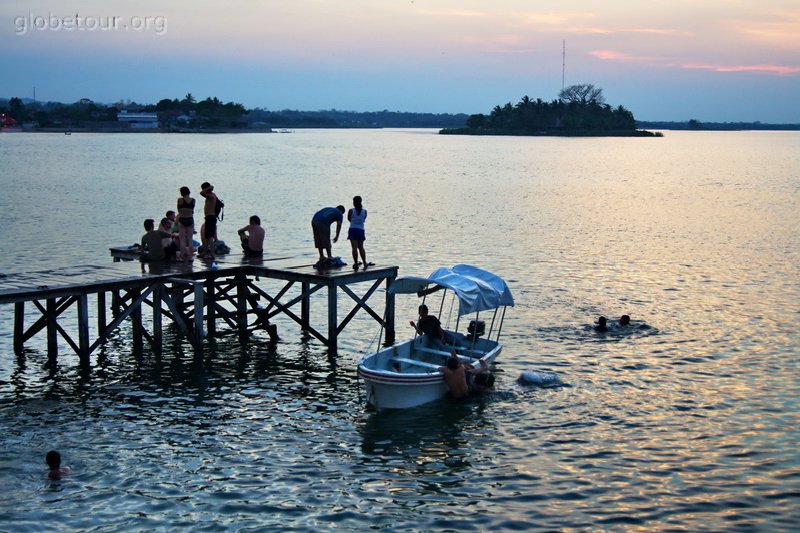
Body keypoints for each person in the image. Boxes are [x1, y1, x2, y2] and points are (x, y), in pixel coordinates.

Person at [347, 195, 373, 270]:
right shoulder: (365, 211)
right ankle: (364, 262)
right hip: (361, 230)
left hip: (352, 229)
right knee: (361, 247)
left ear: (353, 202)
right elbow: (364, 219)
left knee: (354, 248)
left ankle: (356, 263)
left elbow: (349, 219)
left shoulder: (351, 211)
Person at [200, 182, 219, 259]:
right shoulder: (210, 195)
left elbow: (201, 193)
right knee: (207, 235)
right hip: (209, 217)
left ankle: (212, 253)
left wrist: (209, 188)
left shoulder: (211, 195)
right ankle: (205, 252)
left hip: (211, 217)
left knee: (210, 236)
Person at [176, 186, 195, 260]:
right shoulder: (193, 200)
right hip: (190, 219)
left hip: (182, 219)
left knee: (182, 239)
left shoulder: (180, 200)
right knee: (190, 239)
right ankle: (190, 257)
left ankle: (182, 256)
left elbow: (179, 210)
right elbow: (192, 209)